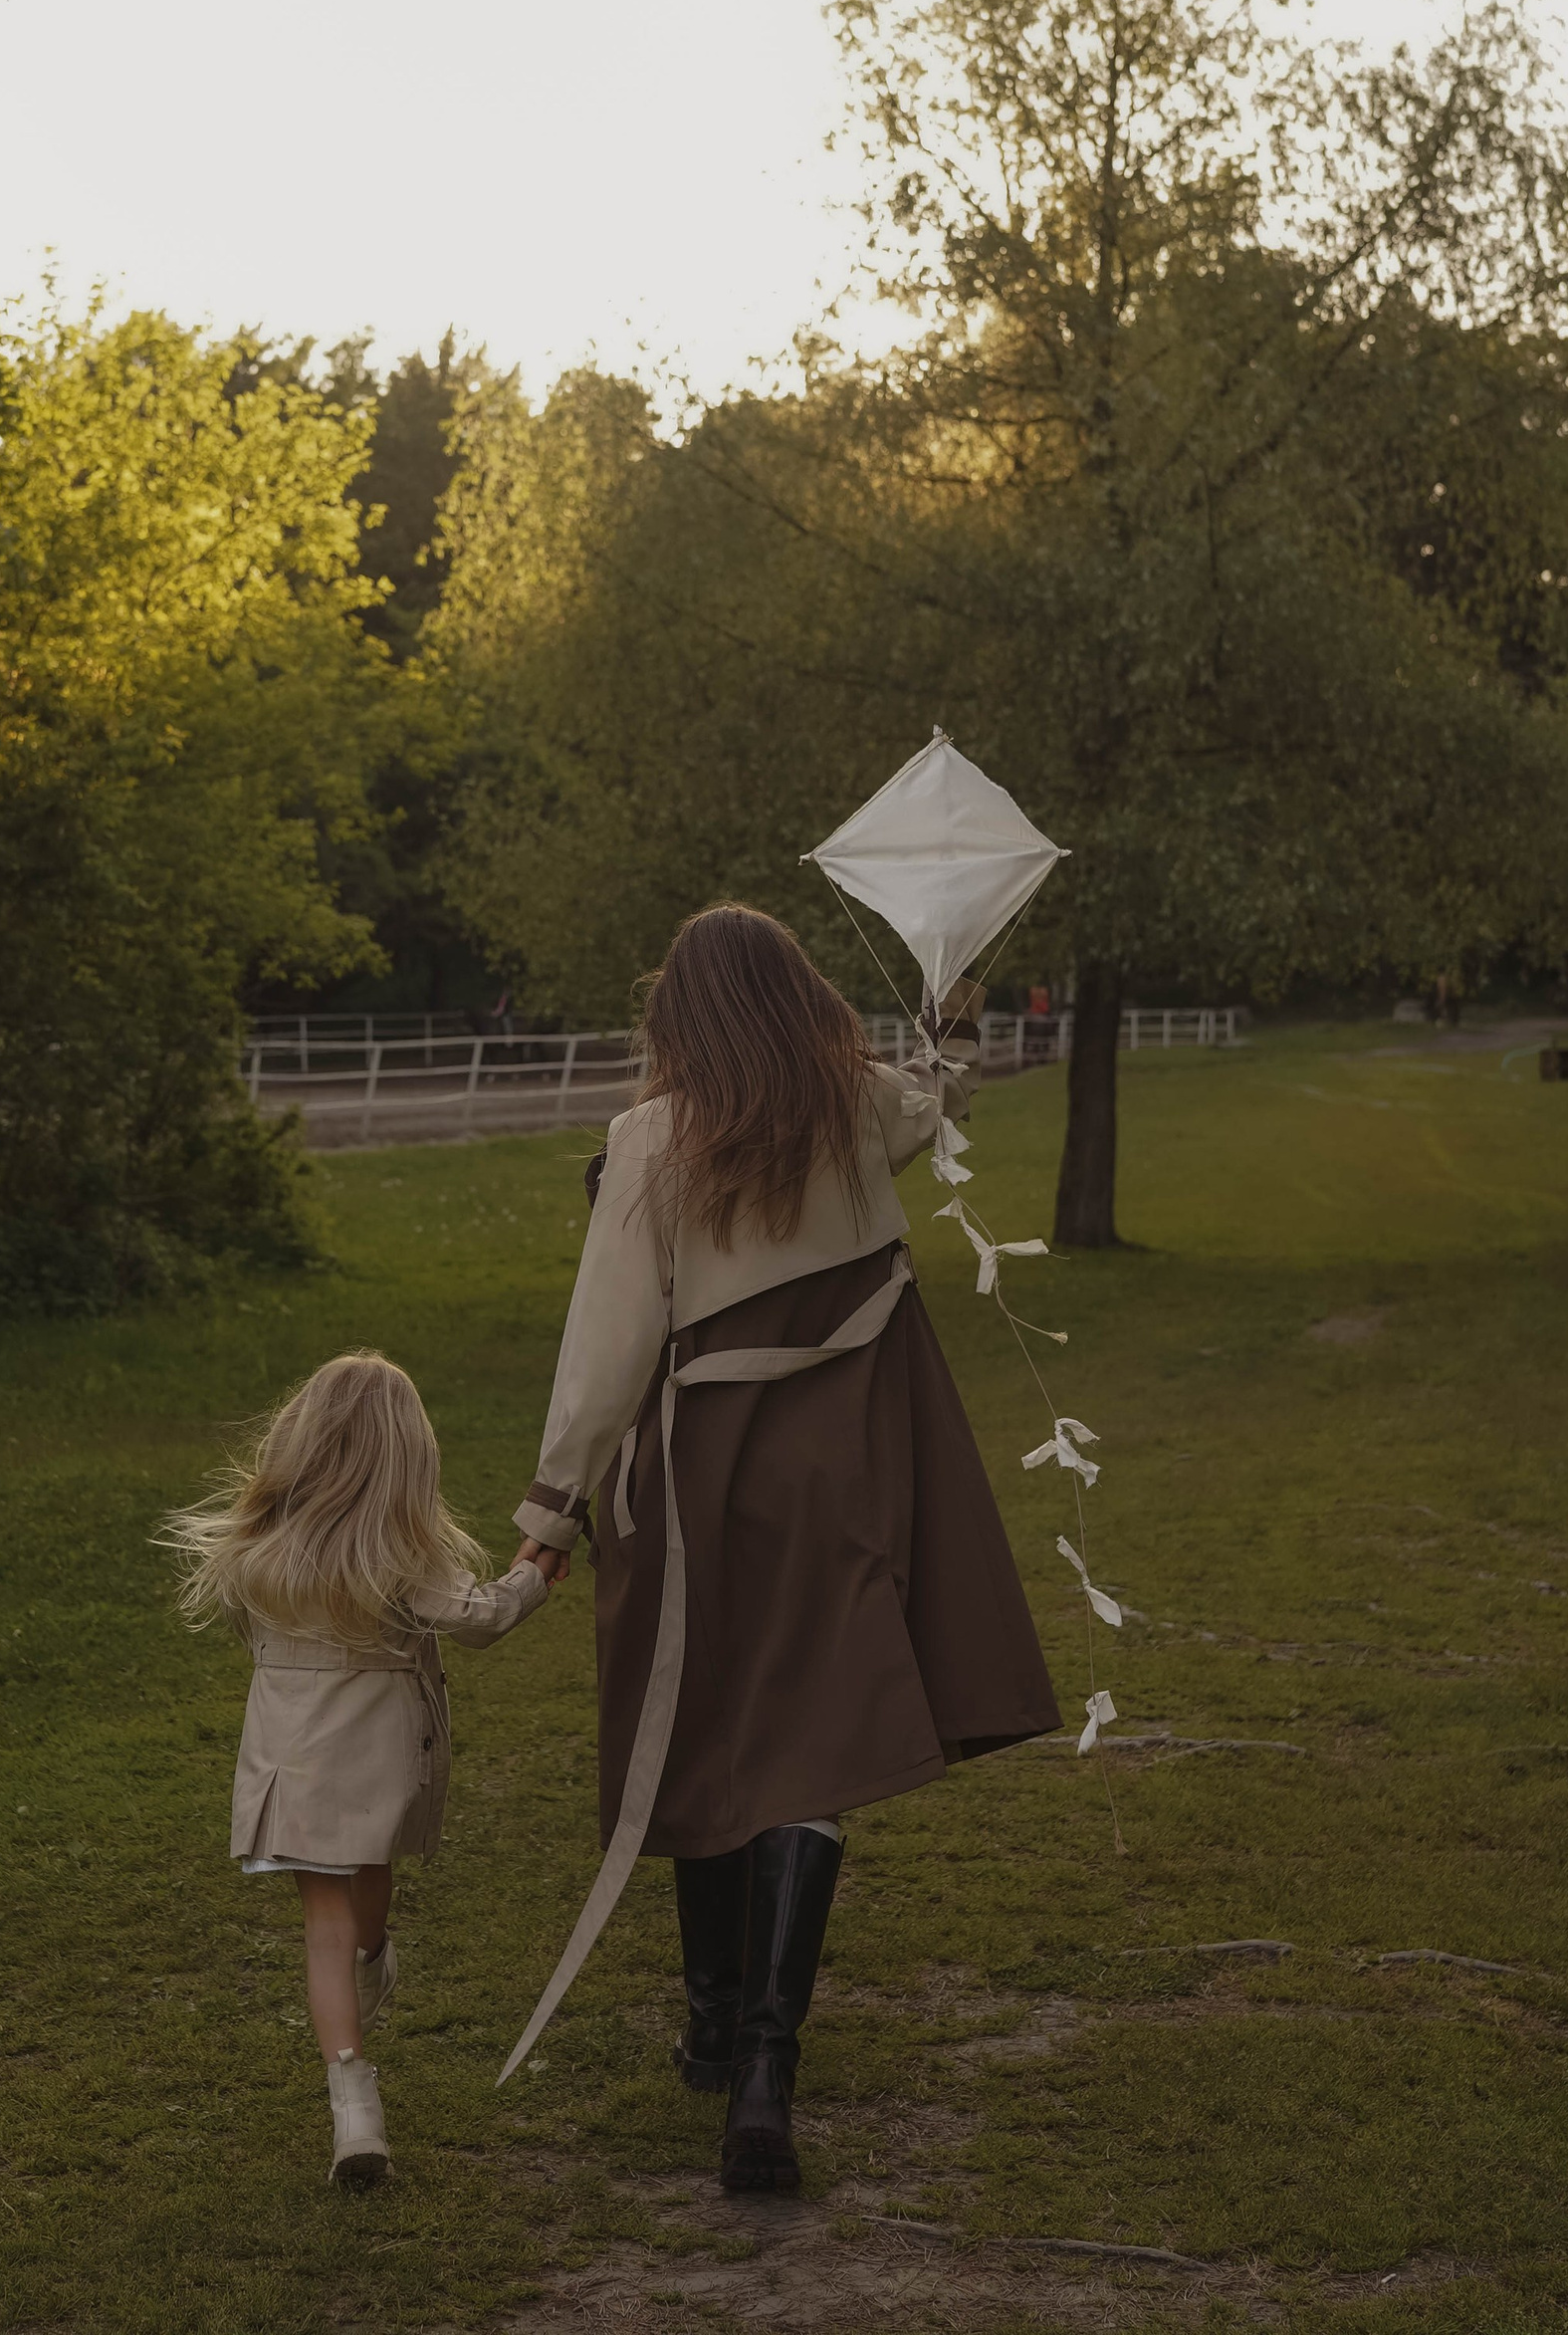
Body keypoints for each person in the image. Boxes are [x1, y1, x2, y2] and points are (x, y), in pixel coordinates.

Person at [510, 906, 1058, 2194]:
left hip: (703, 1487)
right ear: (796, 993)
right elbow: (937, 1096)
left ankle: (718, 2034)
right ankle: (756, 2057)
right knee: (806, 1736)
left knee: (708, 1727)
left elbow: (604, 1354)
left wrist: (550, 1514)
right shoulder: (857, 1107)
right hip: (848, 1475)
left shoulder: (648, 1141)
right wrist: (958, 1008)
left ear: (680, 1016)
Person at [163, 1350, 557, 2189]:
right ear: (406, 1456)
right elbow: (477, 1619)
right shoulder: (397, 1557)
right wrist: (533, 1575)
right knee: (364, 1888)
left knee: (325, 1927)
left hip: (291, 1762)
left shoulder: (258, 1547)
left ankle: (354, 2099)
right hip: (375, 1761)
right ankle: (371, 2000)